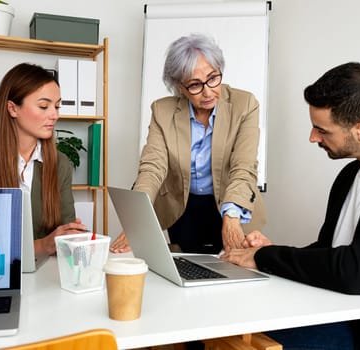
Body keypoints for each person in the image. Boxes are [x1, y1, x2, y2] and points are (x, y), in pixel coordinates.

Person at [222, 62, 360, 350]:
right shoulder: (349, 175)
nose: (313, 137)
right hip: (338, 315)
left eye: (322, 130)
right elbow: (331, 252)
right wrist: (262, 253)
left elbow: (354, 271)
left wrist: (268, 257)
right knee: (234, 328)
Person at [110, 33, 267, 254]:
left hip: (230, 204)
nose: (208, 92)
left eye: (213, 78)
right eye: (195, 85)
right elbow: (152, 168)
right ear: (180, 87)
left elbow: (244, 166)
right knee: (186, 269)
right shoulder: (162, 111)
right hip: (182, 208)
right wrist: (137, 220)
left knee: (235, 268)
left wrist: (231, 216)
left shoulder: (245, 104)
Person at [0, 63, 87, 256]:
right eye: (44, 106)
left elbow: (65, 235)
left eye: (57, 106)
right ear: (12, 108)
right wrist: (42, 246)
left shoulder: (60, 163)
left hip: (47, 276)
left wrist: (73, 237)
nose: (55, 115)